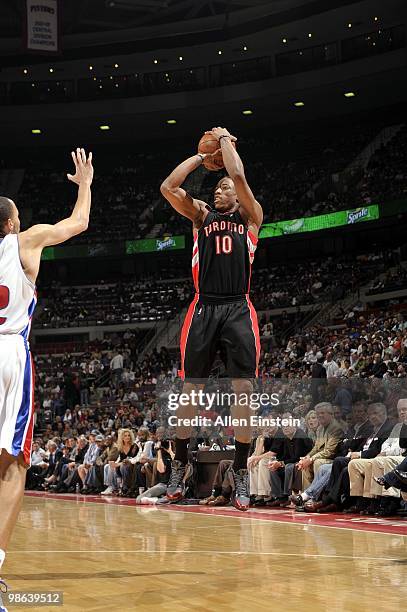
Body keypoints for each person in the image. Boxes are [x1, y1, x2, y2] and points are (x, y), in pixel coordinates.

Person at [0, 148, 93, 589]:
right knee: (13, 466)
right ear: (12, 223)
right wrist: (85, 184)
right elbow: (78, 224)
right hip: (10, 356)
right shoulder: (25, 241)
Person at [160, 126, 263, 511]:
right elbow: (169, 187)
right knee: (191, 392)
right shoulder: (201, 215)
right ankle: (180, 462)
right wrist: (202, 158)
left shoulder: (252, 216)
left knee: (243, 392)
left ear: (237, 196)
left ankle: (240, 470)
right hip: (203, 307)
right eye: (216, 187)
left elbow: (237, 175)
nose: (219, 190)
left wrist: (225, 141)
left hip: (238, 307)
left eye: (223, 188)